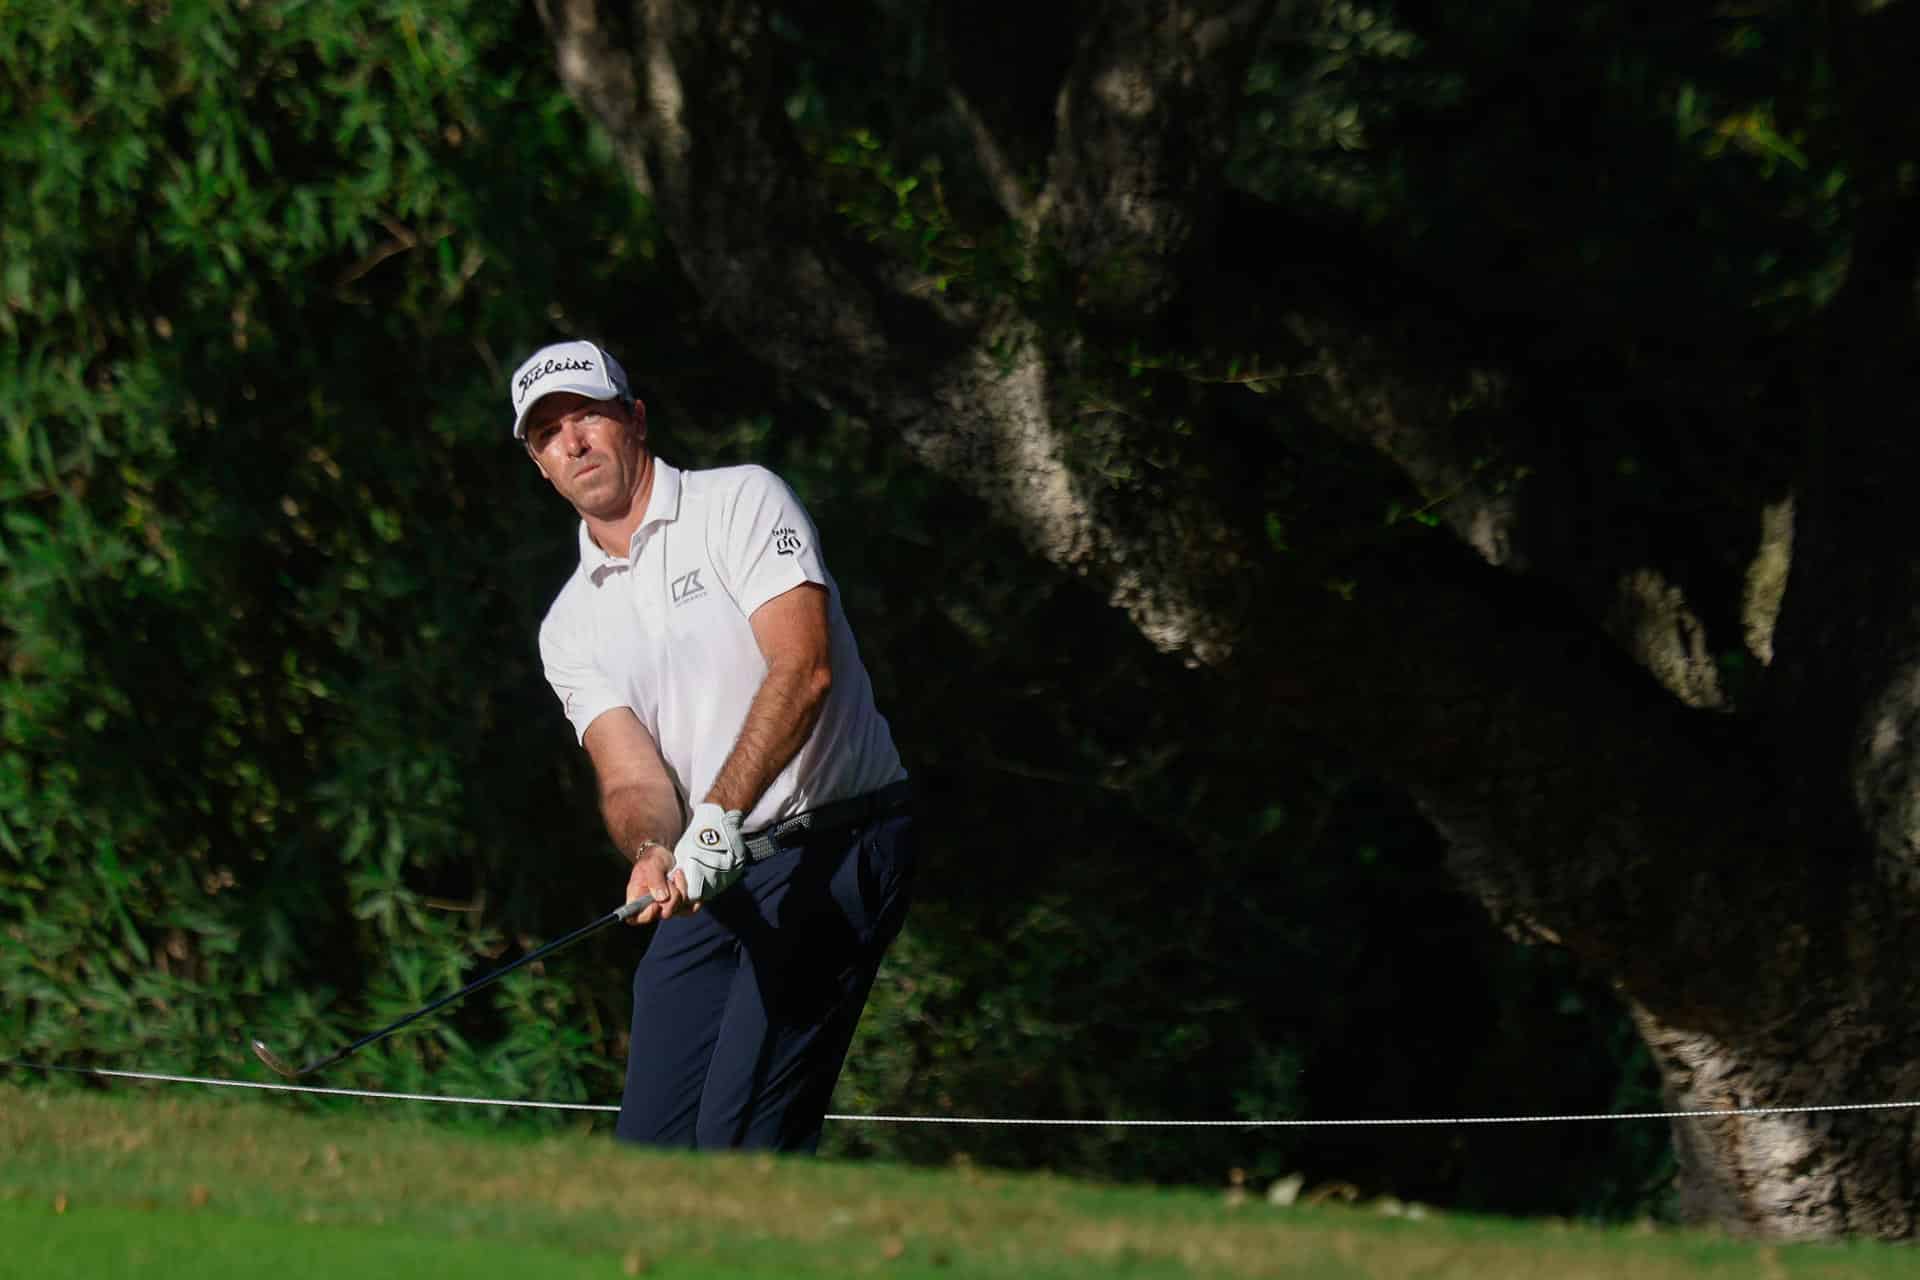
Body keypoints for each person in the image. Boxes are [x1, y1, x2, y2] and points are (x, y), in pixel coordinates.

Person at [510, 338, 915, 1151]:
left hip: (836, 839)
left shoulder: (741, 502)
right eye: (549, 433)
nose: (574, 442)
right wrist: (655, 846)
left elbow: (802, 671)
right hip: (713, 871)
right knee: (651, 1150)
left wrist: (719, 815)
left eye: (588, 415)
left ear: (635, 419)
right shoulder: (569, 625)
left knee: (742, 1144)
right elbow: (630, 774)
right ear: (539, 464)